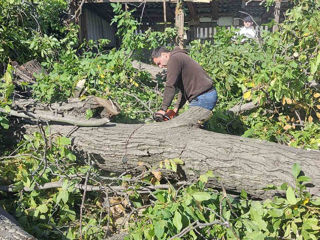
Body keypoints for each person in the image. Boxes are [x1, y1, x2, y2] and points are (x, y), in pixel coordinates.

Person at [151, 46, 218, 117]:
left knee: (190, 125)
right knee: (198, 125)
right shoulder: (179, 57)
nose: (160, 66)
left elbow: (170, 85)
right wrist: (176, 109)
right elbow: (183, 90)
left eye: (159, 63)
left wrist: (163, 109)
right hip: (204, 95)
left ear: (165, 55)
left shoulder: (174, 59)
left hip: (203, 97)